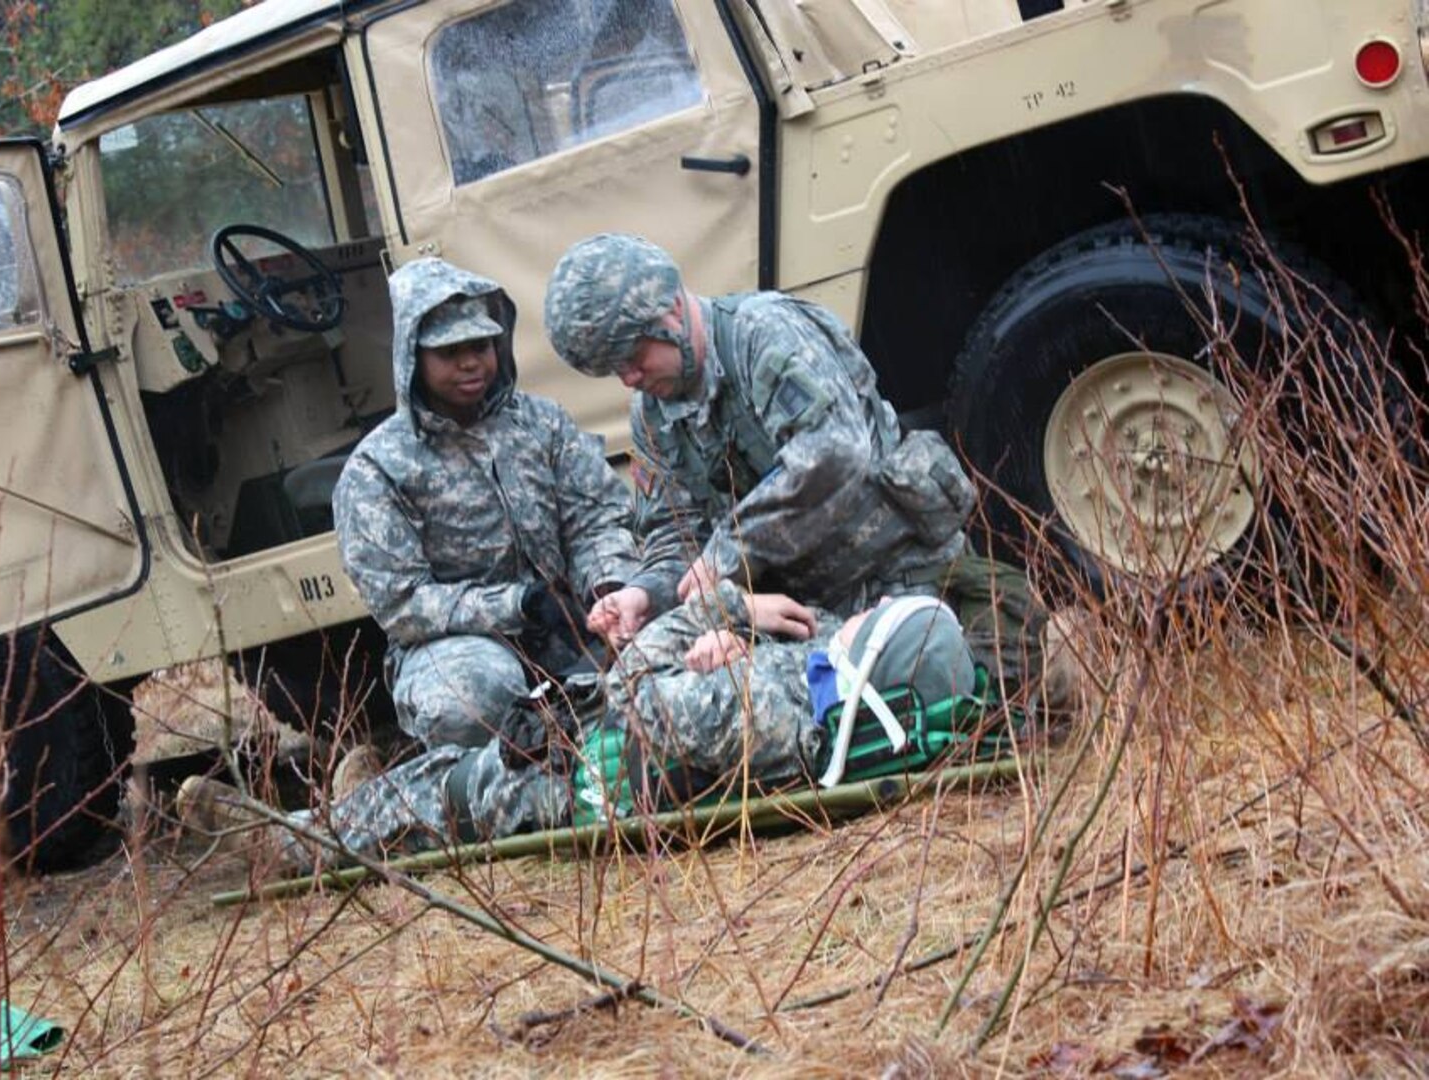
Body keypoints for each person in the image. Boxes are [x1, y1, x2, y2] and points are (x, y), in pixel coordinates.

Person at [539, 233, 1044, 695]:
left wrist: (730, 546)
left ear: (671, 309)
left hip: (901, 574)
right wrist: (645, 594)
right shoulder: (652, 416)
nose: (628, 377)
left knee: (976, 686)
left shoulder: (765, 334)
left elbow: (835, 452)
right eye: (611, 370)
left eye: (633, 355)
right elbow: (678, 534)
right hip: (797, 613)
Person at [176, 585, 982, 872]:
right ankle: (358, 802)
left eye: (877, 615)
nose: (863, 609)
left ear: (873, 655)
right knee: (432, 776)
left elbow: (633, 688)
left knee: (442, 787)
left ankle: (281, 840)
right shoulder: (835, 702)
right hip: (596, 760)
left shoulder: (755, 707)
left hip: (565, 785)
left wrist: (716, 613)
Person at [331, 257, 642, 751]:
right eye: (449, 352)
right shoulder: (378, 468)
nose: (470, 362)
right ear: (413, 357)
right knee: (475, 701)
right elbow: (404, 604)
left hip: (572, 625)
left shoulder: (542, 423)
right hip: (459, 648)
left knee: (652, 657)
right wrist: (520, 604)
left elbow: (597, 518)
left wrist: (609, 588)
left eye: (480, 345)